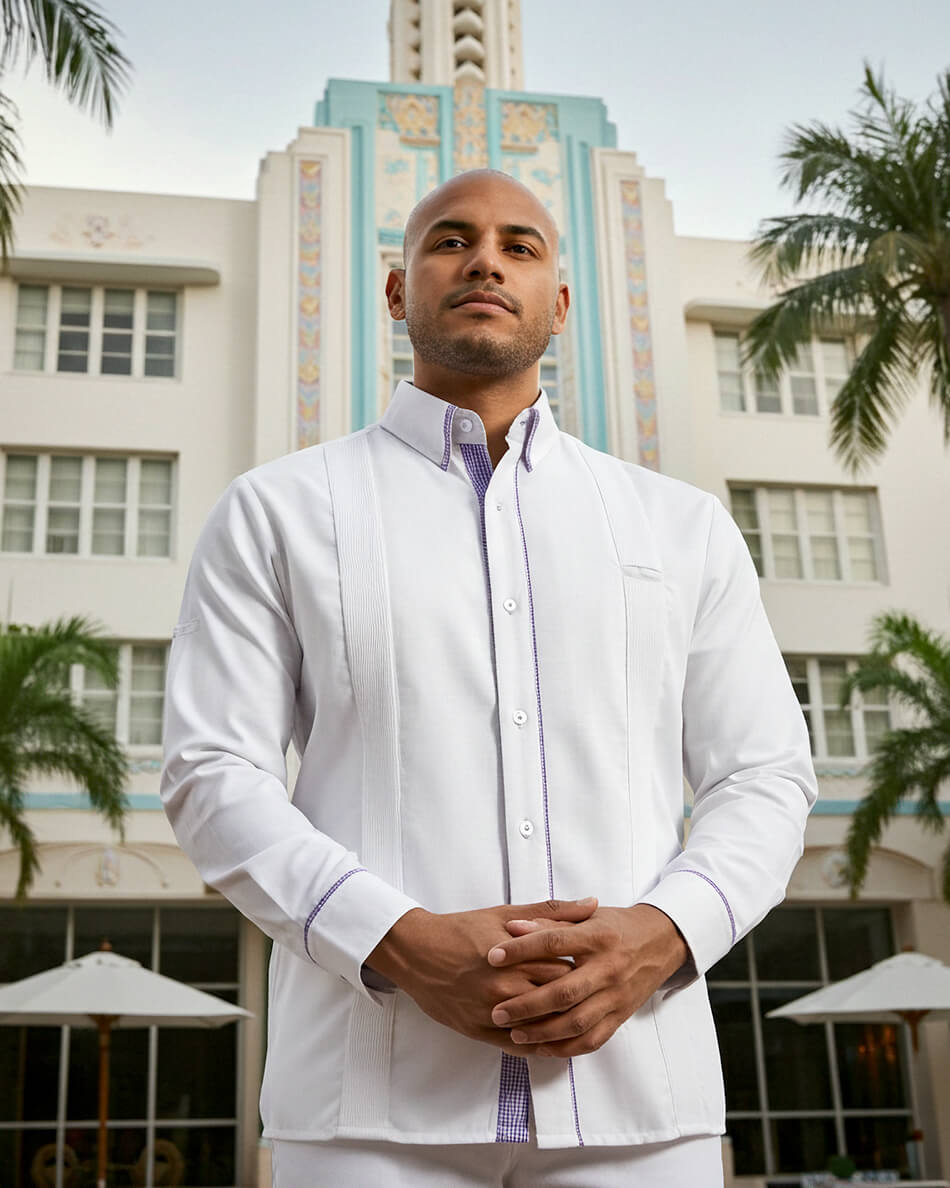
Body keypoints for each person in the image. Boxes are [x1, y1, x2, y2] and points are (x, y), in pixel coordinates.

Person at [160, 168, 817, 1186]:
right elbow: (212, 771)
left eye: (519, 245)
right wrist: (398, 941)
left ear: (557, 301)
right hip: (363, 1109)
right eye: (449, 239)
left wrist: (660, 935)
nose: (483, 260)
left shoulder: (678, 527)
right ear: (395, 291)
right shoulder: (277, 510)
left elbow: (766, 776)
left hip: (638, 1095)